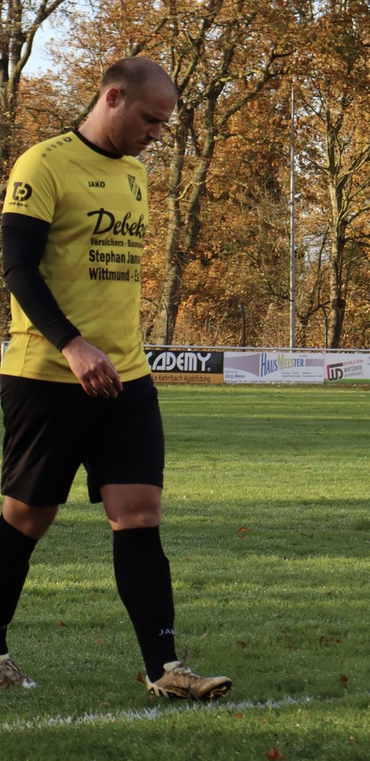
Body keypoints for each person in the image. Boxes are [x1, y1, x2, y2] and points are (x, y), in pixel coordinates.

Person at [0, 57, 232, 698]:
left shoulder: (136, 175)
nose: (157, 133)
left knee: (140, 516)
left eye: (164, 123)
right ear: (112, 97)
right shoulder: (43, 165)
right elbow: (17, 269)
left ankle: (167, 670)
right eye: (151, 119)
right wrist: (73, 345)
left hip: (127, 377)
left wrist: (113, 349)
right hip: (48, 374)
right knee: (25, 519)